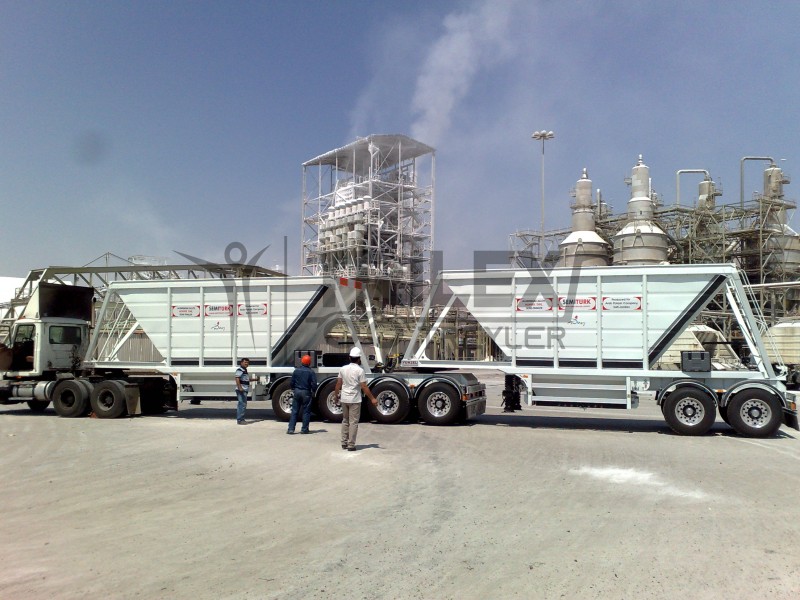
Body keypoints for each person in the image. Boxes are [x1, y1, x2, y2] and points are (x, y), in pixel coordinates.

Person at [335, 347, 377, 451]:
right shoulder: (360, 371)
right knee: (353, 422)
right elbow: (364, 386)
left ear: (350, 358)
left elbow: (338, 384)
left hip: (344, 398)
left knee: (345, 420)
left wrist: (336, 396)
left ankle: (343, 442)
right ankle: (351, 444)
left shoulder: (343, 369)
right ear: (359, 359)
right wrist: (372, 399)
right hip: (354, 399)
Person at [288, 354, 317, 434]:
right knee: (306, 411)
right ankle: (304, 429)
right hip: (306, 392)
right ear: (309, 363)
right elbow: (314, 384)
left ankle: (291, 429)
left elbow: (292, 382)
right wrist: (313, 391)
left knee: (294, 411)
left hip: (297, 391)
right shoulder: (311, 372)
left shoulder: (296, 370)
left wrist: (293, 388)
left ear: (302, 361)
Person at [235, 358, 252, 424]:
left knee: (243, 404)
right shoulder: (240, 370)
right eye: (245, 362)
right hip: (241, 390)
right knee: (242, 404)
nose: (246, 364)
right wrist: (240, 388)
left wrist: (255, 379)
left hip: (244, 389)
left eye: (247, 362)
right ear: (241, 363)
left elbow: (246, 380)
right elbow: (237, 378)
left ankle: (241, 419)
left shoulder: (244, 370)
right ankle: (240, 420)